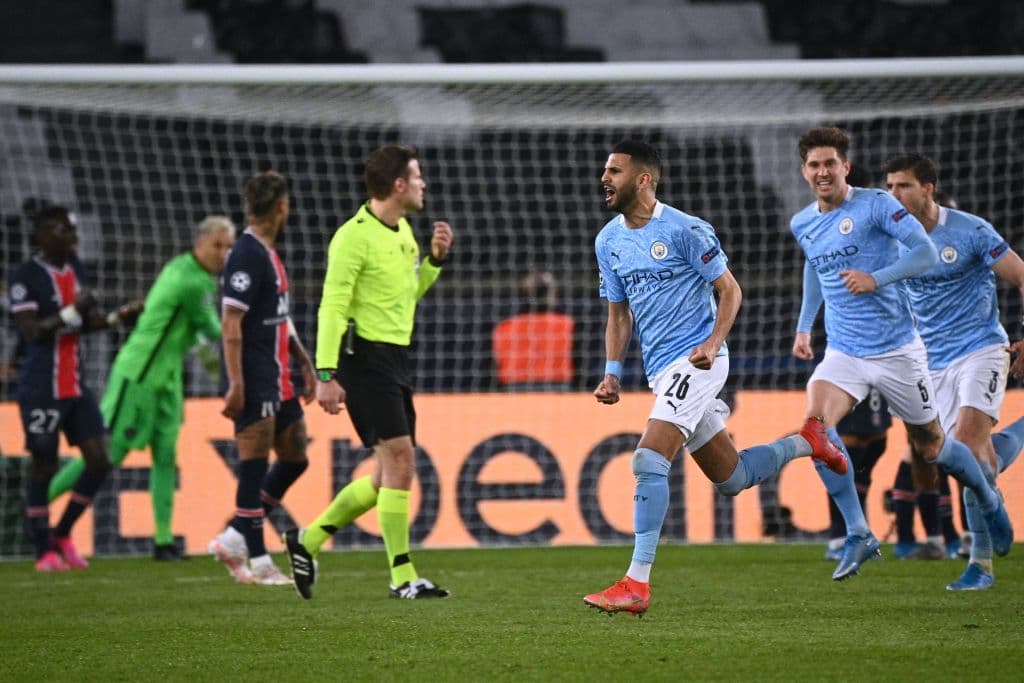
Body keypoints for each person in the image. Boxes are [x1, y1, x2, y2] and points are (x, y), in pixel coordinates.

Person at [581, 140, 848, 617]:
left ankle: (636, 583)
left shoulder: (686, 230)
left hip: (700, 361)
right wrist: (612, 373)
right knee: (733, 478)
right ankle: (809, 440)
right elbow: (617, 314)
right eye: (605, 170)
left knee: (647, 459)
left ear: (643, 179)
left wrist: (711, 342)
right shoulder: (608, 241)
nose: (605, 178)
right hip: (662, 371)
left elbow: (730, 290)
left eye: (614, 171)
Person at [789, 127, 1011, 582]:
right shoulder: (802, 222)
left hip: (918, 350)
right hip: (849, 351)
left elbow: (926, 252)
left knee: (938, 450)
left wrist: (876, 278)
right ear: (804, 171)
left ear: (845, 167)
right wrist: (803, 325)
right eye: (814, 164)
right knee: (817, 433)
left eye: (830, 162)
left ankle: (986, 514)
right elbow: (816, 267)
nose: (822, 171)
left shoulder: (880, 207)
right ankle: (856, 532)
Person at [284, 145, 453, 600]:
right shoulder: (352, 237)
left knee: (385, 475)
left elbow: (405, 299)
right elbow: (332, 307)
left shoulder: (405, 233)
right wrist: (325, 373)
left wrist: (434, 263)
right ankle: (402, 576)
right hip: (362, 360)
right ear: (398, 185)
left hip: (395, 359)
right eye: (417, 177)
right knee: (401, 459)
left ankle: (309, 540)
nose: (423, 184)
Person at [47, 216, 236, 561]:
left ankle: (163, 541)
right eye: (217, 245)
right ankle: (37, 510)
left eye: (228, 247)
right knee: (104, 456)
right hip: (139, 376)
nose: (223, 253)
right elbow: (213, 330)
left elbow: (194, 336)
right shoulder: (189, 280)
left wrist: (214, 371)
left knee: (165, 457)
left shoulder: (198, 276)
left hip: (168, 381)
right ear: (199, 244)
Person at [885, 152, 1024, 589]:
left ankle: (980, 565)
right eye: (889, 187)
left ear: (927, 188)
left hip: (981, 348)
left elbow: (1021, 276)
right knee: (969, 460)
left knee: (965, 444)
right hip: (931, 361)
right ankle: (1008, 457)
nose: (894, 195)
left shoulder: (970, 231)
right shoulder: (892, 240)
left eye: (903, 185)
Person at [8, 205, 142, 571]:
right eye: (63, 229)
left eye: (72, 228)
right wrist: (73, 311)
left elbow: (80, 325)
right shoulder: (26, 277)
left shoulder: (75, 269)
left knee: (101, 459)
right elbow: (33, 331)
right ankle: (42, 552)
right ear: (42, 234)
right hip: (40, 386)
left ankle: (62, 533)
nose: (71, 234)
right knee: (44, 465)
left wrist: (117, 317)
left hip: (74, 384)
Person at [208, 171, 315, 585]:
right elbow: (231, 322)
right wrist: (236, 383)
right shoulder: (247, 254)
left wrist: (303, 361)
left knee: (295, 455)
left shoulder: (268, 253)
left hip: (279, 374)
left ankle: (235, 534)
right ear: (282, 207)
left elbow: (279, 318)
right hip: (254, 377)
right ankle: (258, 562)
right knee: (252, 469)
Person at [825, 387, 891, 560]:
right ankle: (839, 539)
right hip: (849, 371)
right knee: (849, 445)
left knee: (877, 440)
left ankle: (860, 536)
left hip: (878, 371)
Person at [492, 270, 575, 390]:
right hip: (557, 390)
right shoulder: (568, 325)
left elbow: (496, 365)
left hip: (513, 391)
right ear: (551, 294)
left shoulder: (504, 327)